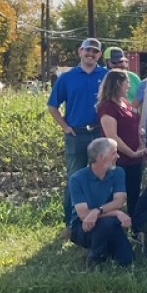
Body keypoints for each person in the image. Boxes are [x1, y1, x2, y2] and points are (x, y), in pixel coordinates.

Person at [48, 37, 109, 226]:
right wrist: (66, 127)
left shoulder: (107, 75)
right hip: (77, 135)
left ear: (99, 54)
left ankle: (100, 219)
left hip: (100, 134)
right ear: (80, 51)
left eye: (95, 51)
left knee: (102, 175)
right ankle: (72, 222)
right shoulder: (67, 78)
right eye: (87, 50)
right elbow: (52, 106)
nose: (90, 54)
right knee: (75, 177)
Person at [68, 137, 133, 268]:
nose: (118, 156)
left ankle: (107, 248)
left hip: (110, 224)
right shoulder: (77, 179)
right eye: (114, 153)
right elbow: (84, 215)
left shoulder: (118, 172)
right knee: (107, 223)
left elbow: (119, 201)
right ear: (101, 157)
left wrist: (97, 211)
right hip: (83, 228)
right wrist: (115, 213)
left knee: (127, 259)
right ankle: (95, 258)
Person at [97, 70, 147, 217]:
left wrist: (141, 148)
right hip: (118, 160)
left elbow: (135, 127)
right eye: (127, 83)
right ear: (118, 83)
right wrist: (131, 153)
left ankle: (135, 227)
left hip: (135, 158)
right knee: (116, 196)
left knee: (134, 193)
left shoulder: (125, 103)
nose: (129, 87)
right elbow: (112, 136)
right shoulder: (107, 107)